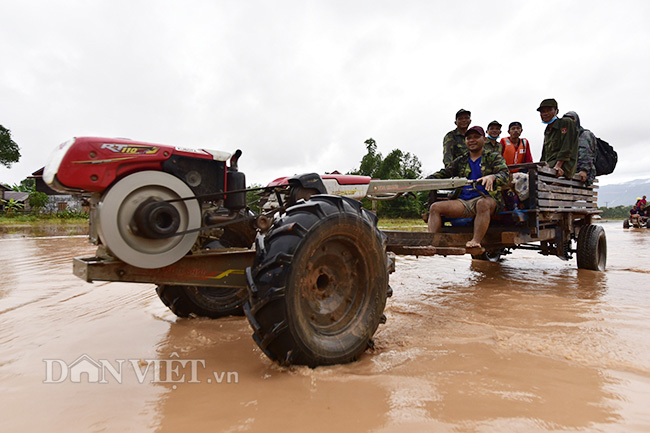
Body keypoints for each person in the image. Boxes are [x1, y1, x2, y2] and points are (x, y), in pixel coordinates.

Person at [427, 125, 509, 248]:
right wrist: (424, 182)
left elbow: (505, 174)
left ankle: (476, 241)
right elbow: (445, 172)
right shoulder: (462, 160)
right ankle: (431, 243)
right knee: (435, 207)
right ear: (465, 141)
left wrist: (492, 177)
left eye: (476, 137)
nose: (472, 140)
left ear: (484, 140)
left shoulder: (493, 157)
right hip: (464, 201)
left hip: (487, 198)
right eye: (469, 138)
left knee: (482, 204)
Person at [537, 98, 578, 179]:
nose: (545, 114)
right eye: (543, 111)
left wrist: (558, 166)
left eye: (549, 110)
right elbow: (545, 153)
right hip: (550, 164)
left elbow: (567, 147)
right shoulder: (548, 130)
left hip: (563, 166)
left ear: (557, 111)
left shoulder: (566, 122)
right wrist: (541, 166)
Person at [563, 111, 597, 185]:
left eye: (572, 119)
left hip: (583, 175)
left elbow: (586, 154)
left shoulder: (584, 135)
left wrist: (584, 170)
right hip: (570, 173)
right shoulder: (567, 137)